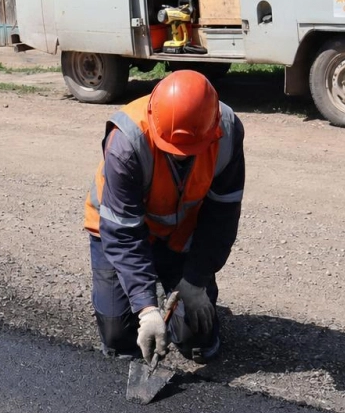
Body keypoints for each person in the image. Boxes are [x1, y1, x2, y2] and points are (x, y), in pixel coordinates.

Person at [84, 70, 245, 365]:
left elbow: (222, 214)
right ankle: (144, 301)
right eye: (173, 150)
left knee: (198, 337)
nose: (182, 156)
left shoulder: (228, 131)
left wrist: (196, 280)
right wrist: (147, 309)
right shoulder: (126, 143)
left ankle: (180, 299)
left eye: (189, 151)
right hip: (119, 233)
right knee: (119, 337)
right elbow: (123, 232)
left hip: (179, 235)